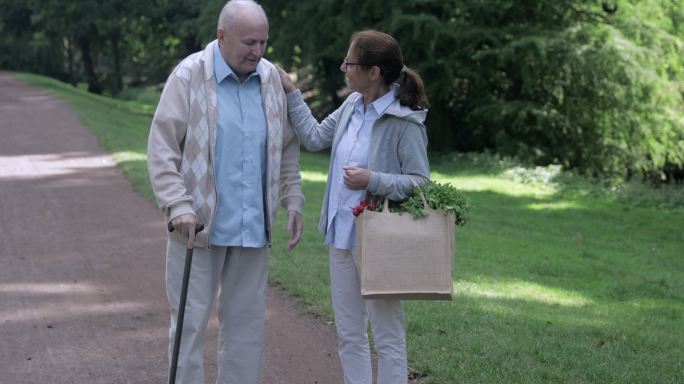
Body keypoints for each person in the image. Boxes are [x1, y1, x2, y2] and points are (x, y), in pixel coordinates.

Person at [146, 1, 304, 383]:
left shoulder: (270, 80)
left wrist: (293, 197)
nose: (258, 51)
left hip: (253, 229)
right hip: (196, 230)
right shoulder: (189, 76)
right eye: (249, 41)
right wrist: (177, 204)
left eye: (264, 42)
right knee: (189, 327)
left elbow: (286, 146)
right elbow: (162, 148)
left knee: (247, 331)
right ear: (221, 36)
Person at [277, 30, 430, 384]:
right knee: (349, 334)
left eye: (350, 62)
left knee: (388, 338)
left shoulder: (404, 120)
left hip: (380, 241)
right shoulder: (351, 105)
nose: (344, 67)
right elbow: (314, 138)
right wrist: (291, 91)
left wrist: (371, 179)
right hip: (341, 236)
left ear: (374, 72)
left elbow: (420, 181)